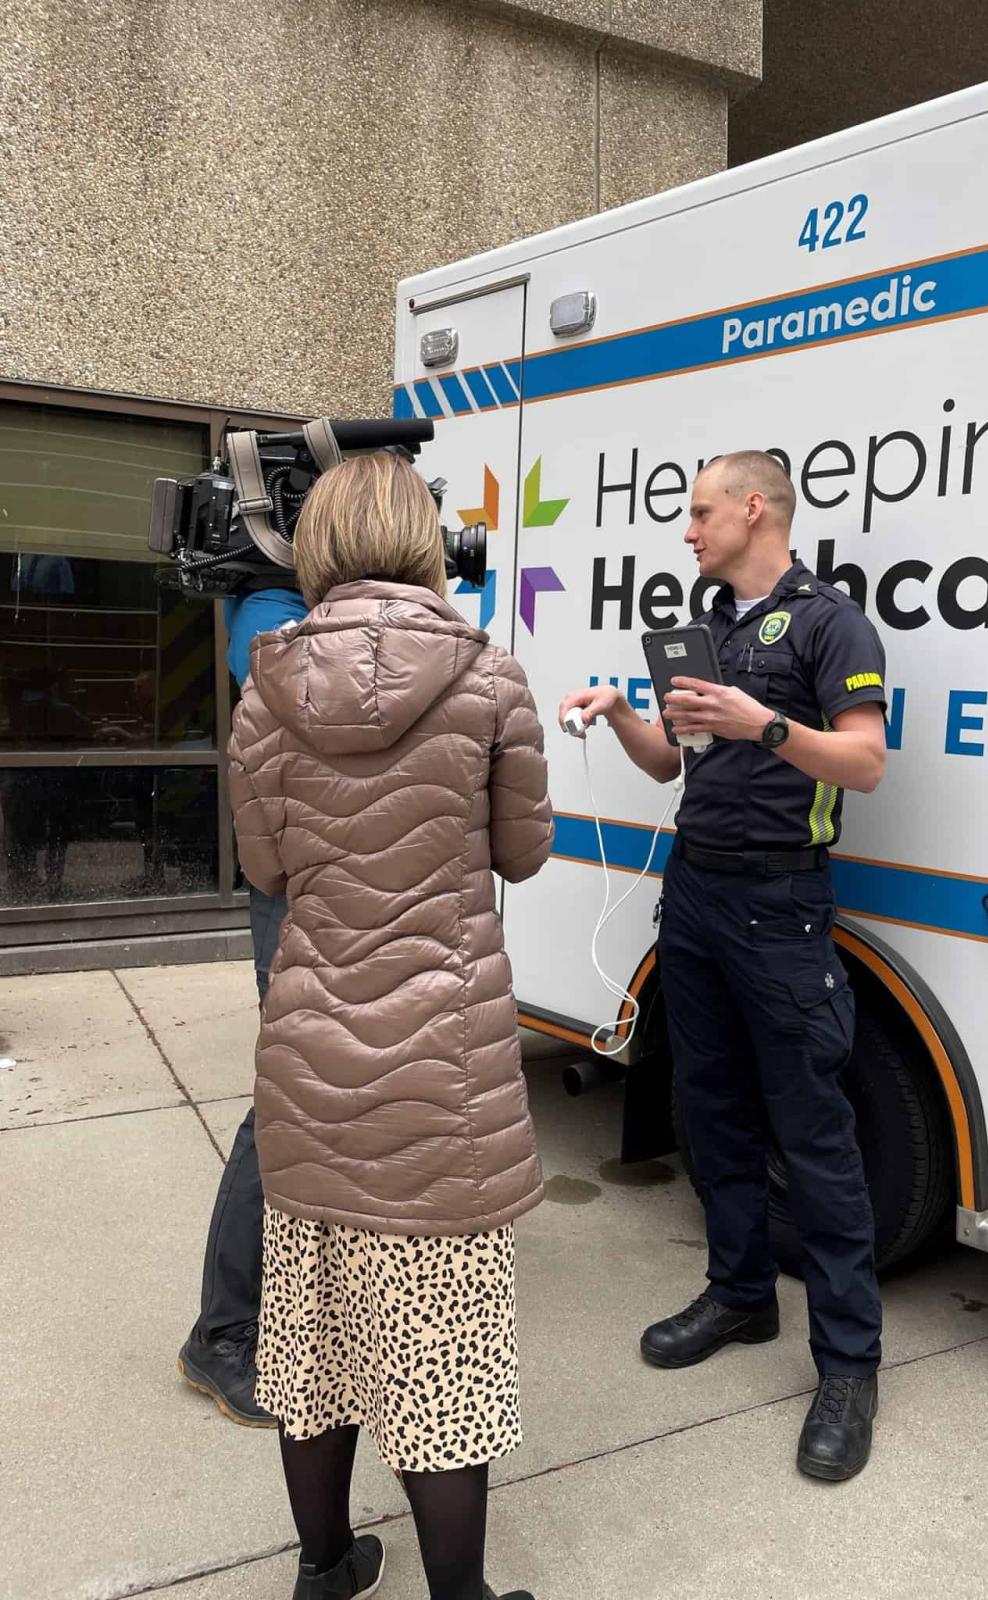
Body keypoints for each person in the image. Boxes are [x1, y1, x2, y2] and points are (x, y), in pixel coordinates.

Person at [229, 449, 551, 1600]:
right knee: (439, 1365)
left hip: (310, 1062)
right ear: (424, 539)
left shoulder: (263, 691)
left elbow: (266, 871)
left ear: (314, 545)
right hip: (440, 1075)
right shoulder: (489, 678)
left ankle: (325, 1570)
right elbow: (523, 851)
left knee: (314, 1347)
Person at [558, 451, 888, 1483]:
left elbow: (867, 762)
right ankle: (741, 1295)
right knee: (712, 1110)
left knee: (815, 1136)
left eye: (702, 511)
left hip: (781, 906)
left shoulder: (833, 624)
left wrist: (767, 724)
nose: (689, 530)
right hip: (695, 894)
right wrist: (622, 714)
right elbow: (673, 760)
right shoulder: (706, 626)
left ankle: (849, 1367)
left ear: (755, 508)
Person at [178, 584, 307, 1427]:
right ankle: (222, 1334)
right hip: (296, 889)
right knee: (285, 1104)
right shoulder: (270, 609)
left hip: (349, 894)